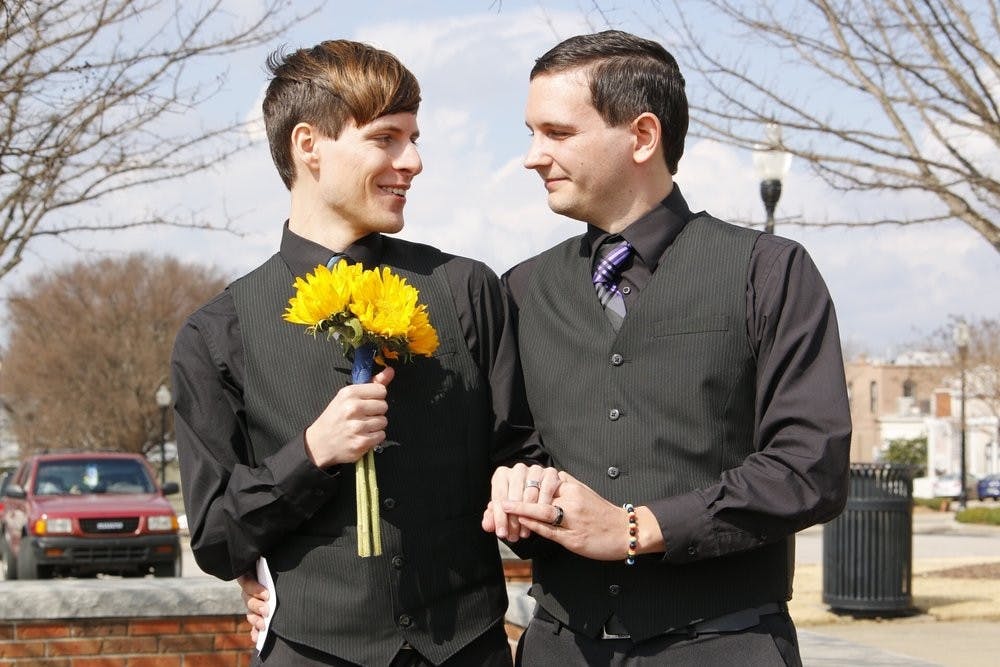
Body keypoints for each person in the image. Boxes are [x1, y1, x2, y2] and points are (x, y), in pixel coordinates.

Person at [483, 30, 852, 666]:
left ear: (643, 136)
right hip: (561, 648)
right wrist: (519, 486)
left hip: (726, 645)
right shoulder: (520, 290)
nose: (532, 157)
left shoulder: (768, 272)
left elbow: (808, 466)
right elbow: (512, 448)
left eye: (557, 133)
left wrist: (636, 528)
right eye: (530, 132)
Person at [172, 40, 541, 666]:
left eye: (415, 138)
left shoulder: (467, 289)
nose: (414, 160)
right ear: (308, 145)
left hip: (467, 648)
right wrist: (310, 455)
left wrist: (522, 486)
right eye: (386, 138)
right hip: (308, 651)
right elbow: (214, 537)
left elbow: (525, 451)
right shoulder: (216, 333)